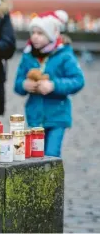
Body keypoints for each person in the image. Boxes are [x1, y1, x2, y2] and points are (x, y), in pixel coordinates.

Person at [14, 11, 84, 157]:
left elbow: (78, 80)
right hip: (35, 117)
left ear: (52, 34)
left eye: (40, 33)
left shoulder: (64, 55)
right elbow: (17, 83)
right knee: (35, 156)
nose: (35, 36)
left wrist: (54, 85)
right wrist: (24, 85)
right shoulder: (28, 56)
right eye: (33, 32)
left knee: (51, 155)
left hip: (57, 116)